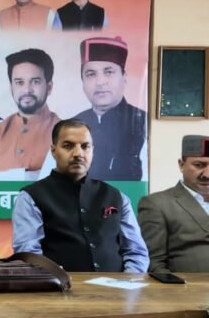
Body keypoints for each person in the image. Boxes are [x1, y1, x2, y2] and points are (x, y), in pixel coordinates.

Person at [12, 119, 148, 272]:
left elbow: (136, 252)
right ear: (53, 151)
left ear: (92, 151)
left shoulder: (117, 197)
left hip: (118, 286)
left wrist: (127, 282)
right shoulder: (31, 197)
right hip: (59, 286)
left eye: (85, 146)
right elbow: (29, 255)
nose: (78, 154)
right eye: (68, 146)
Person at [0, 48, 60, 180]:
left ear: (49, 87)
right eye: (19, 82)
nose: (27, 90)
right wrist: (30, 175)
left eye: (35, 81)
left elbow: (60, 180)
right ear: (11, 88)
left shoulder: (66, 133)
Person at [74, 36, 146, 180]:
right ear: (82, 81)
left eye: (109, 72)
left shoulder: (143, 123)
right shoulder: (71, 126)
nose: (100, 82)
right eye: (91, 74)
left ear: (124, 77)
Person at [138, 135, 209, 273]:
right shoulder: (157, 204)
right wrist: (175, 286)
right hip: (189, 286)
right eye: (199, 165)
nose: (207, 174)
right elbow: (153, 262)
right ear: (181, 165)